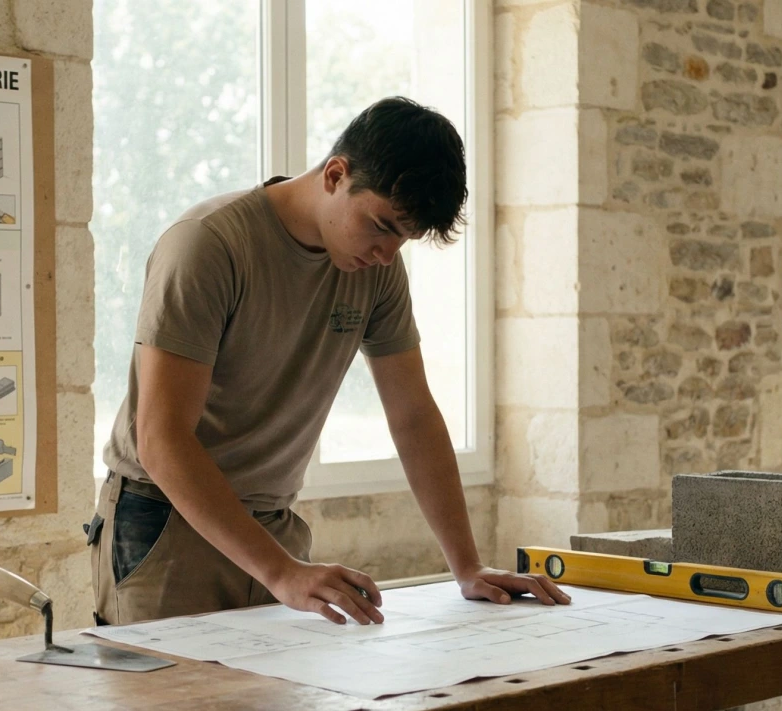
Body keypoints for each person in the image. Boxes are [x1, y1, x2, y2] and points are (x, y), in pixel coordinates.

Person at [88, 97, 569, 626]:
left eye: (403, 240)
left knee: (281, 710)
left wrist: (467, 566)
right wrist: (281, 571)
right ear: (336, 174)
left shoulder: (377, 269)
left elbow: (413, 415)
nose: (387, 253)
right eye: (382, 226)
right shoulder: (208, 245)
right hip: (164, 520)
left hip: (273, 524)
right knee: (175, 708)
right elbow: (161, 438)